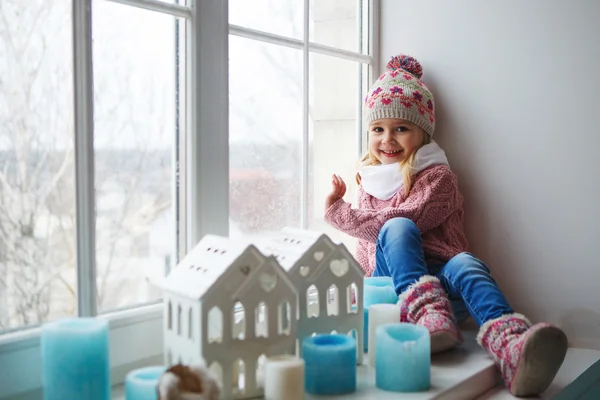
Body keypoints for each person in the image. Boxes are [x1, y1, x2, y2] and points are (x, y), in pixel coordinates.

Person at [324, 54, 568, 397]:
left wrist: (339, 214)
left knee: (462, 259)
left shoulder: (439, 178)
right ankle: (425, 314)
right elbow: (369, 247)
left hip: (445, 295)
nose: (387, 140)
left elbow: (407, 219)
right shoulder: (368, 181)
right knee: (395, 230)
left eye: (401, 128)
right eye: (378, 129)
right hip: (394, 293)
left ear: (422, 132)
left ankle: (512, 349)